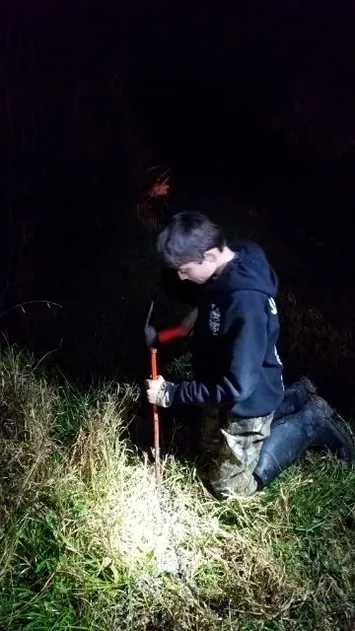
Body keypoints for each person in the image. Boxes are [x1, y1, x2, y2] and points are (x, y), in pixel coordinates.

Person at [145, 211, 354, 498]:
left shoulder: (246, 303)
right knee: (206, 454)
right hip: (223, 377)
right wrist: (196, 316)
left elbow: (236, 387)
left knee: (226, 488)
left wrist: (171, 393)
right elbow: (215, 293)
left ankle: (311, 422)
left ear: (208, 255)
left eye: (184, 269)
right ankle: (295, 395)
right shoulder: (236, 253)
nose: (181, 276)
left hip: (247, 397)